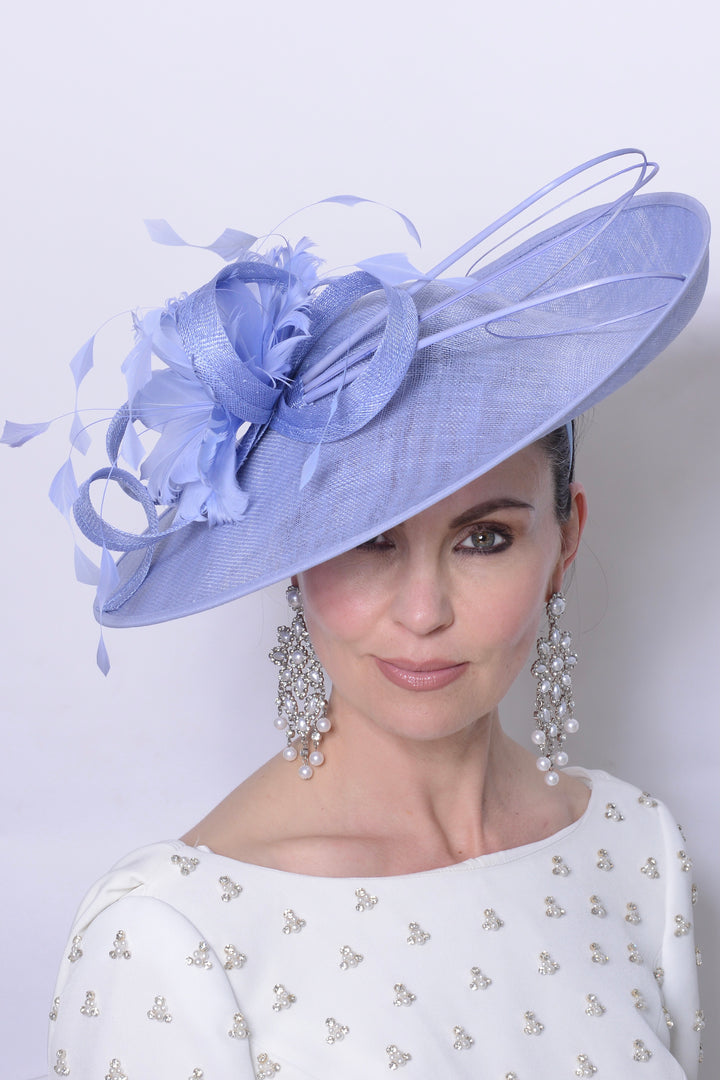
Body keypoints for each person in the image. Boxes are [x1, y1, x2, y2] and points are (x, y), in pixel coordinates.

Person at [5, 150, 709, 1078]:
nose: (423, 611)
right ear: (294, 563)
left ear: (565, 542)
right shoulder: (174, 937)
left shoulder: (634, 848)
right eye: (368, 541)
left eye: (484, 538)